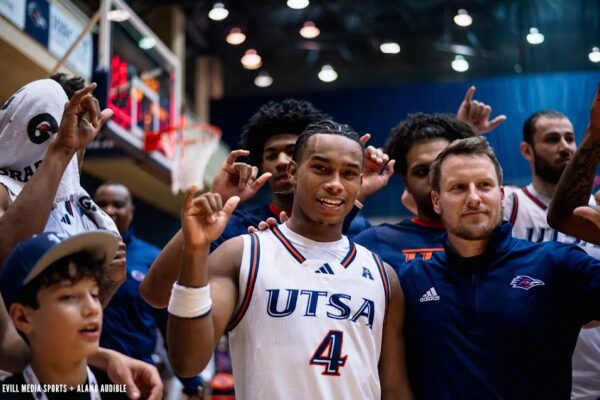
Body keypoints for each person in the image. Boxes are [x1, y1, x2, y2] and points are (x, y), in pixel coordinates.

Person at [165, 120, 412, 399]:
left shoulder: (383, 275)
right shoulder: (241, 254)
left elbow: (394, 388)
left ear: (360, 181)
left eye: (349, 173)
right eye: (321, 169)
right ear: (293, 172)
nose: (334, 184)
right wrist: (196, 251)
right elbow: (187, 363)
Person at [140, 99, 393, 308]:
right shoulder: (233, 229)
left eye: (291, 150)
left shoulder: (357, 229)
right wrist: (218, 202)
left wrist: (357, 188)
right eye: (271, 155)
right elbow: (155, 294)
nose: (282, 161)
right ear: (261, 166)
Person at [398, 136, 600, 399]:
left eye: (484, 185)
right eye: (458, 187)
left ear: (501, 195)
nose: (473, 198)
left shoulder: (557, 264)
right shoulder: (412, 279)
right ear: (436, 201)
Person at [0, 78, 162, 399]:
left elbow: (70, 318)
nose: (78, 141)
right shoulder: (5, 188)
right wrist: (60, 150)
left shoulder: (86, 210)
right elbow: (6, 257)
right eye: (64, 128)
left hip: (71, 375)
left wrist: (108, 288)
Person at [93, 182, 203, 398]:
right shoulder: (74, 250)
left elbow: (168, 322)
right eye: (101, 204)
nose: (109, 210)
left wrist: (192, 384)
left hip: (137, 378)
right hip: (84, 376)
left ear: (131, 212)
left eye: (118, 204)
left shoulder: (152, 258)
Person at [0, 230, 125, 399]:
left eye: (94, 294)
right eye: (69, 296)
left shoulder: (129, 390)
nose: (93, 308)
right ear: (22, 317)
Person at [354, 114, 477, 271]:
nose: (435, 180)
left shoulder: (493, 238)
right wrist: (357, 192)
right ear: (407, 184)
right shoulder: (376, 242)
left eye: (444, 167)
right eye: (422, 171)